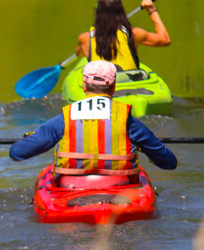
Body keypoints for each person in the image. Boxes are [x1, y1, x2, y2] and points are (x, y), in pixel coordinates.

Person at [10, 60, 176, 183]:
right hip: (120, 190)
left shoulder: (62, 119)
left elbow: (17, 153)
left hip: (70, 190)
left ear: (84, 86)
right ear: (113, 87)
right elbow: (169, 163)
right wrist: (142, 145)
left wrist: (30, 138)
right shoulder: (129, 122)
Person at [76, 0, 171, 72]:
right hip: (129, 84)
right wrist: (151, 10)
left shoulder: (84, 38)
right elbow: (165, 40)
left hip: (101, 87)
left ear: (97, 12)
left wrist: (80, 49)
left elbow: (79, 54)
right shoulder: (134, 34)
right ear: (121, 11)